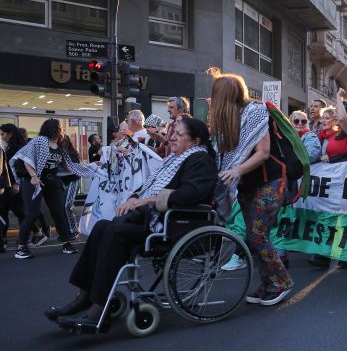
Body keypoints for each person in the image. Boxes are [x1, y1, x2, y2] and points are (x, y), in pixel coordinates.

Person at [45, 117, 217, 332]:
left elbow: (191, 193)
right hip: (154, 219)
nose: (171, 137)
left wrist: (146, 201)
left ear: (196, 141)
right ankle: (84, 297)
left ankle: (98, 310)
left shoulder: (201, 159)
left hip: (175, 225)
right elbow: (148, 186)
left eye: (179, 134)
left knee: (115, 232)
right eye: (173, 133)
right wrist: (133, 198)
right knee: (101, 227)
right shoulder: (175, 159)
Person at [208, 68, 292, 306]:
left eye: (216, 93)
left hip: (270, 180)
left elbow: (263, 153)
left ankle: (281, 282)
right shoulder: (230, 116)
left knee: (256, 235)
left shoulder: (255, 112)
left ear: (226, 94)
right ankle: (268, 283)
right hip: (248, 184)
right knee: (252, 236)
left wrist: (236, 171)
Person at [10, 119, 96, 259]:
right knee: (31, 214)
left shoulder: (60, 145)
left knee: (59, 213)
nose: (62, 130)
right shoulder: (39, 141)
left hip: (51, 181)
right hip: (33, 181)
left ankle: (66, 242)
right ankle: (21, 247)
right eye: (60, 128)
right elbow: (26, 158)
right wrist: (33, 176)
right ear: (53, 129)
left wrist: (92, 167)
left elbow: (68, 165)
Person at [1, 124, 27, 253]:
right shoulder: (10, 148)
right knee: (4, 212)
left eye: (3, 134)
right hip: (8, 186)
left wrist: (17, 184)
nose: (2, 137)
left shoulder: (17, 149)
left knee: (20, 213)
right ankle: (4, 240)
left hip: (15, 187)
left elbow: (18, 169)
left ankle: (23, 240)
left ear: (10, 134)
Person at [319, 89, 347, 162]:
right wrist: (326, 155)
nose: (334, 115)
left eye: (337, 111)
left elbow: (342, 118)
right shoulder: (335, 133)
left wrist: (339, 95)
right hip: (334, 171)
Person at [59, 135, 82, 238]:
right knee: (61, 207)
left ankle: (73, 230)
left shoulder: (72, 153)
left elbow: (72, 168)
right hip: (61, 182)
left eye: (63, 142)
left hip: (72, 180)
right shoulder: (56, 151)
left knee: (67, 205)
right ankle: (66, 230)